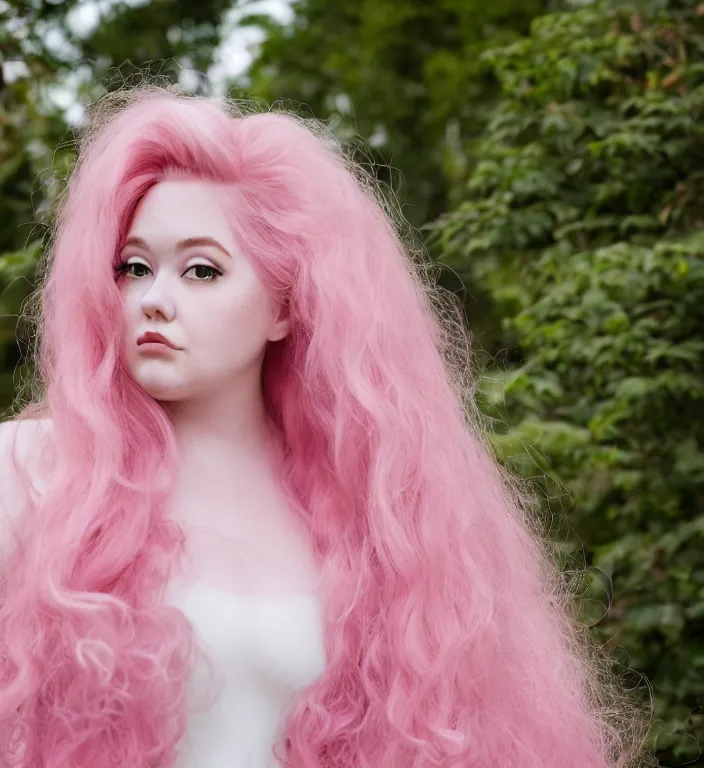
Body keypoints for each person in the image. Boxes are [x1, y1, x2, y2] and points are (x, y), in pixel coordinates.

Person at [0, 85, 650, 767]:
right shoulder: (33, 473)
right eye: (134, 268)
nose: (154, 300)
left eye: (202, 270)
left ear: (285, 307)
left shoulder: (377, 518)